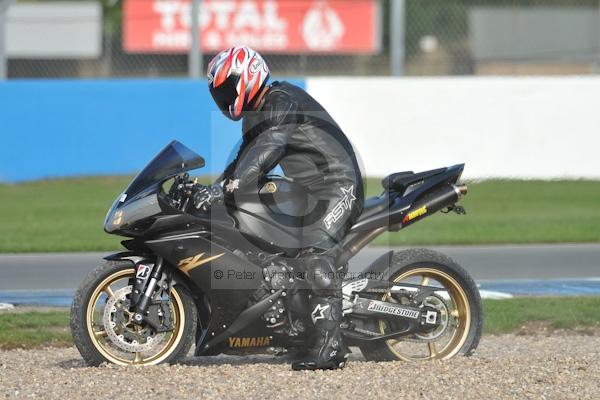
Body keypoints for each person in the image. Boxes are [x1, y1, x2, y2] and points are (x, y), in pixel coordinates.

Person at [193, 45, 364, 371]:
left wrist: (230, 186)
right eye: (220, 92)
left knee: (313, 254)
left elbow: (268, 148)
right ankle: (299, 331)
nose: (224, 97)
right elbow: (244, 161)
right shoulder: (256, 116)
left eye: (228, 87)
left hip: (338, 185)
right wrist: (212, 191)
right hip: (307, 190)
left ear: (248, 77)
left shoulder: (281, 101)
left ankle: (331, 348)